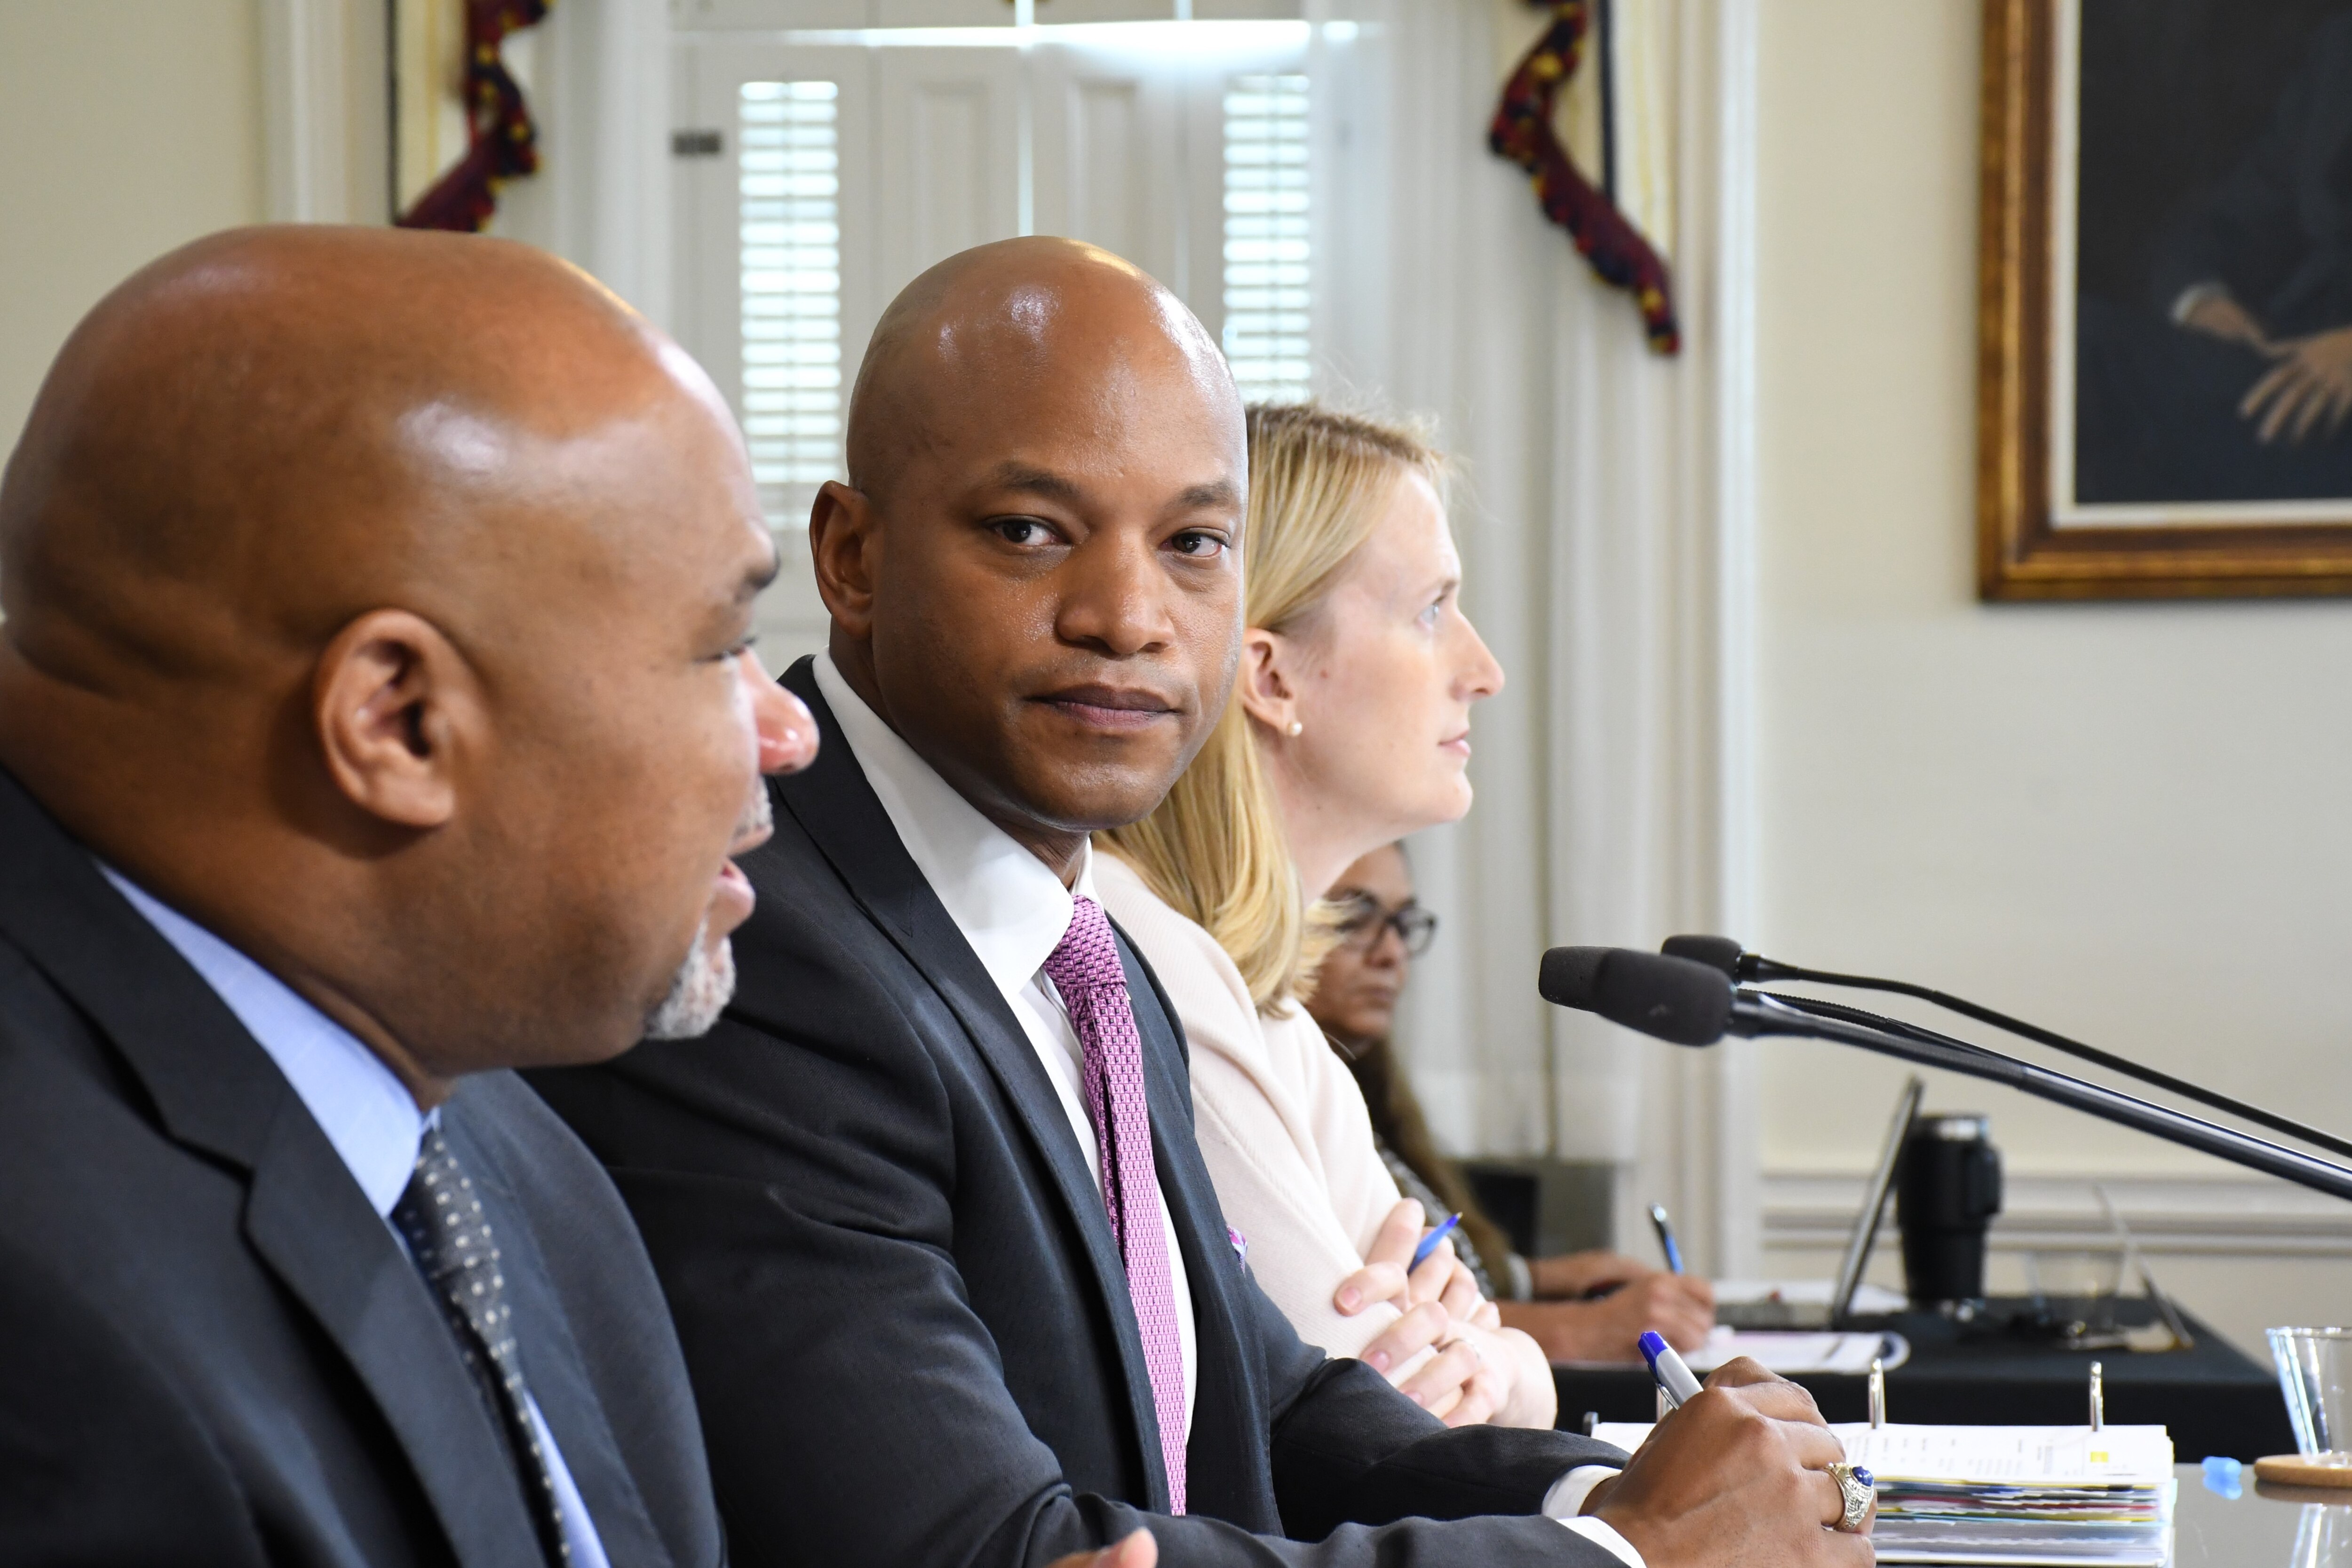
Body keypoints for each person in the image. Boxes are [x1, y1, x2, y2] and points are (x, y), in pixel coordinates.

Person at [532, 235, 1874, 1568]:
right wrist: (1633, 1561)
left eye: (1194, 542)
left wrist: (1607, 1491)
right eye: (1028, 531)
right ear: (853, 557)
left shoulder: (1083, 942)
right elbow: (983, 1541)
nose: (1128, 613)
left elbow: (1262, 1397)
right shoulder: (757, 943)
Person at [0, 226, 816, 1564]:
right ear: (399, 721)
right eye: (722, 644)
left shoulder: (482, 1115)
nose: (787, 730)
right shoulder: (52, 1347)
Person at [1093, 405, 1549, 1426]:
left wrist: (1509, 1362)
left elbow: (1459, 1386)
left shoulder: (1277, 1019)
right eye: (1432, 610)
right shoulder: (1145, 966)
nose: (1483, 669)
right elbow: (1386, 1417)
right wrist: (1506, 1368)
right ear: (1269, 673)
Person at [1303, 843, 1716, 1362]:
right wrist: (1581, 1329)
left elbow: (1430, 1268)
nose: (1390, 953)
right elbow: (1355, 1319)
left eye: (1402, 923)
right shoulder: (1285, 1104)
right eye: (1356, 918)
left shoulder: (1372, 1097)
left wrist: (1534, 1276)